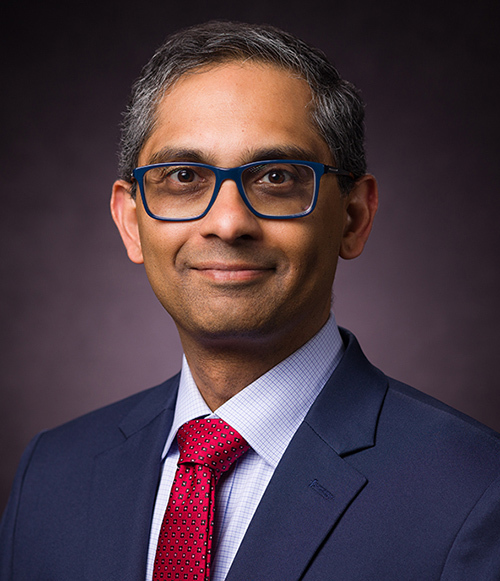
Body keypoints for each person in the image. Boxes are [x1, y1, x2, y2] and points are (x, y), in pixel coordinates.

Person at [1, 20, 500, 581]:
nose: (229, 222)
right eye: (184, 176)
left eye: (278, 177)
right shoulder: (51, 474)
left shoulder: (477, 491)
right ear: (132, 222)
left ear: (354, 217)